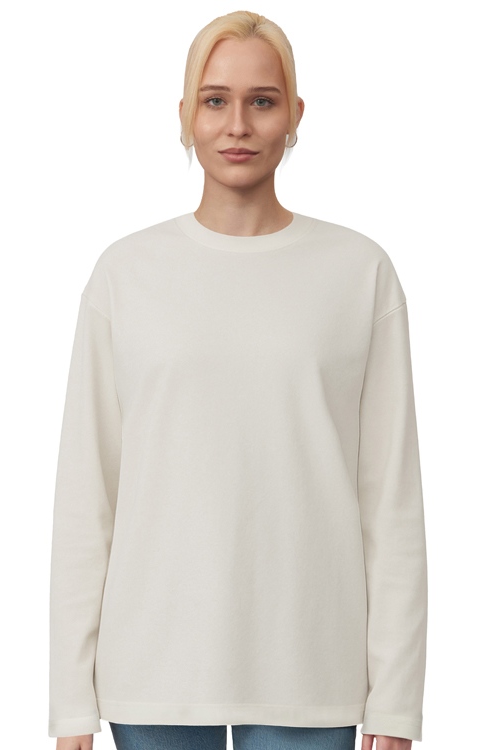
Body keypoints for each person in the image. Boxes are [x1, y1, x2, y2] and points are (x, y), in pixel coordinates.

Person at [48, 10, 428, 750]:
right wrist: (69, 704)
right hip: (153, 669)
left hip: (310, 669)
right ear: (185, 114)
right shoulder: (126, 275)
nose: (238, 125)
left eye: (262, 101)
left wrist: (396, 702)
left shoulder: (358, 273)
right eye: (215, 99)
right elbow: (87, 497)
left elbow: (392, 503)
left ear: (296, 115)